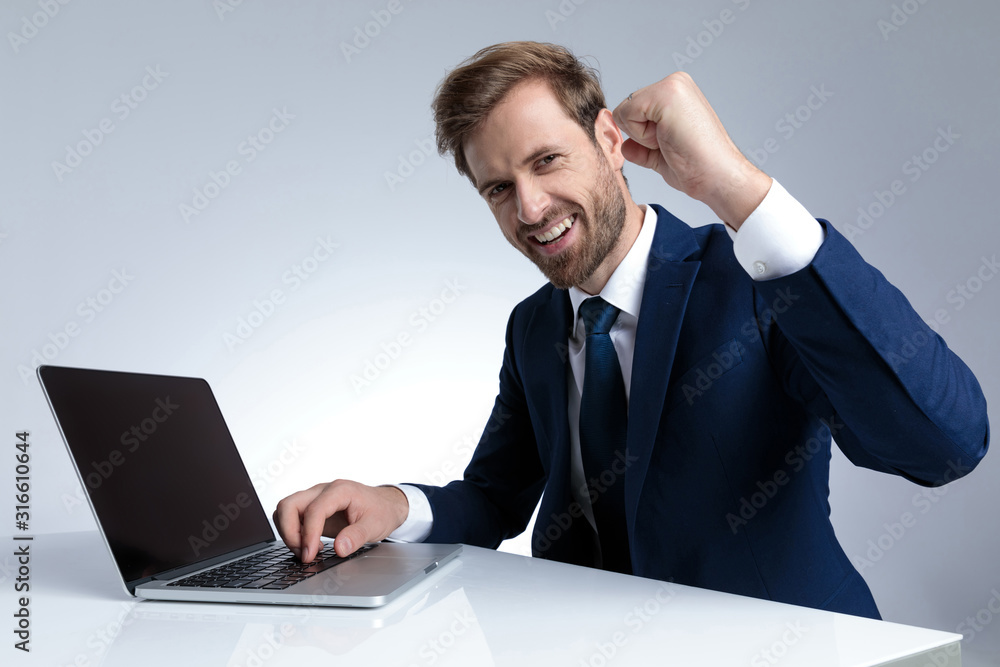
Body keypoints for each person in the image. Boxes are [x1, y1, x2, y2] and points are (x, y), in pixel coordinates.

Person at [274, 41, 989, 618]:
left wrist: (736, 189)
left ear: (609, 140)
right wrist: (397, 505)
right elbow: (496, 496)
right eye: (498, 187)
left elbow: (943, 444)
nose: (528, 207)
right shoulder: (533, 327)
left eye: (546, 160)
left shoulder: (754, 280)